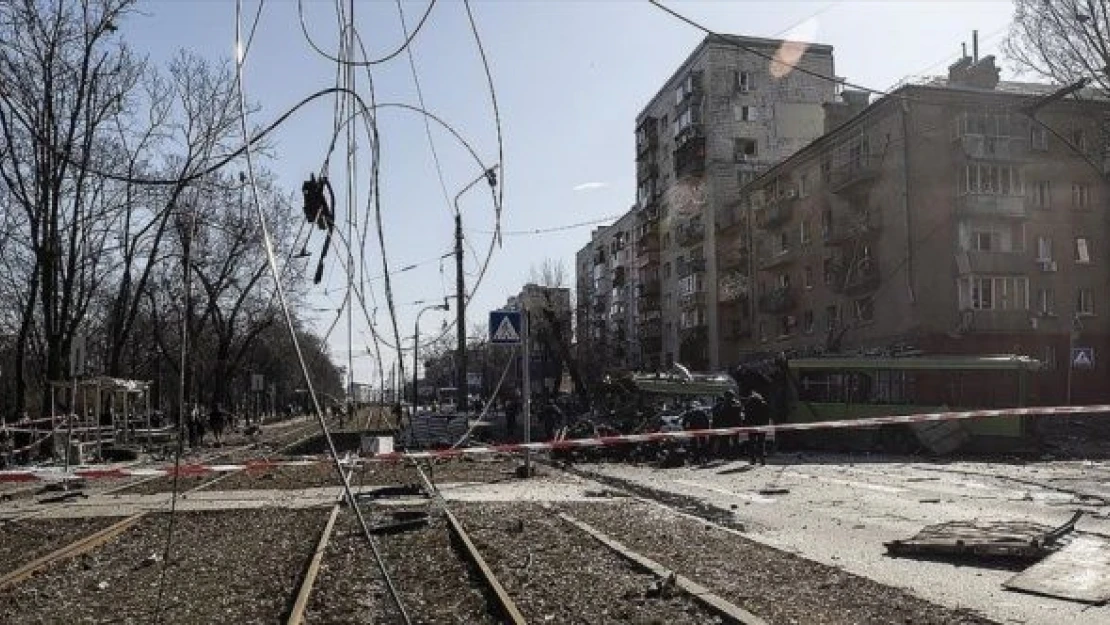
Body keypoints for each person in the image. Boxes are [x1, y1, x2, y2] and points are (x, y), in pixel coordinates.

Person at [741, 383, 771, 465]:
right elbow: (767, 415)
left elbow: (745, 416)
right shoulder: (764, 404)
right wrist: (766, 425)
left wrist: (746, 424)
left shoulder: (748, 404)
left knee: (752, 443)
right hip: (762, 426)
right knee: (761, 443)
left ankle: (752, 459)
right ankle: (762, 459)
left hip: (751, 426)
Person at [712, 390, 743, 459]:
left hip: (726, 425)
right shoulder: (737, 403)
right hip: (735, 425)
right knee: (735, 441)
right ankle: (736, 455)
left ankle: (727, 455)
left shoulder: (724, 404)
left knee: (725, 441)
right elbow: (739, 414)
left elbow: (721, 414)